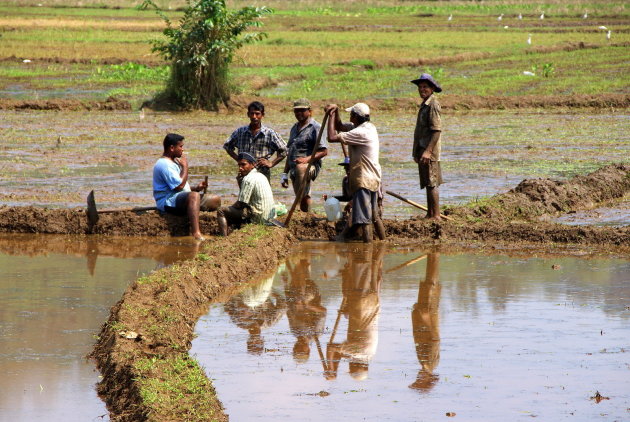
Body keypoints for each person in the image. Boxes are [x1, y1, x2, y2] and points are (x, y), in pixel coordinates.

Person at [325, 103, 382, 243]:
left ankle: (368, 247)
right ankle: (382, 241)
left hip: (364, 178)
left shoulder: (360, 133)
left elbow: (332, 137)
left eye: (351, 115)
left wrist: (329, 116)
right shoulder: (368, 127)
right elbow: (339, 127)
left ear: (355, 117)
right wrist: (335, 112)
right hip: (373, 177)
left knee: (365, 219)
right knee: (374, 215)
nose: (349, 118)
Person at [152, 133, 220, 241]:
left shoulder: (173, 162)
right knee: (194, 196)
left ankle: (192, 208)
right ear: (172, 148)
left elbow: (179, 186)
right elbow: (179, 186)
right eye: (181, 146)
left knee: (215, 200)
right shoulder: (164, 164)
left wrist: (196, 188)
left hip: (177, 197)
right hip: (167, 201)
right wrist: (185, 166)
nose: (182, 150)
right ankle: (196, 233)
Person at [281, 98, 328, 212]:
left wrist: (307, 159)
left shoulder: (315, 127)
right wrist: (284, 174)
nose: (299, 113)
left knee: (301, 169)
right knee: (304, 193)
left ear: (309, 111)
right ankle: (306, 215)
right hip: (294, 166)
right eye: (296, 111)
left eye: (302, 110)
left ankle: (298, 207)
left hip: (310, 165)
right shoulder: (294, 128)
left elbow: (324, 151)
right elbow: (290, 151)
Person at [223, 101, 287, 182]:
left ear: (262, 115)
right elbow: (227, 146)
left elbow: (284, 150)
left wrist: (271, 163)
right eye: (252, 113)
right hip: (244, 172)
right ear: (248, 114)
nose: (254, 116)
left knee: (262, 194)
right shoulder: (240, 132)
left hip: (262, 172)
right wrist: (239, 160)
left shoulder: (269, 133)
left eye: (257, 114)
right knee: (245, 193)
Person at [217, 152, 276, 236]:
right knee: (236, 210)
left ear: (252, 165)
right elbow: (247, 197)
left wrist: (230, 208)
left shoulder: (248, 179)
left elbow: (240, 204)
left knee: (221, 210)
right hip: (270, 217)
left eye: (243, 165)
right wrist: (240, 182)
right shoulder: (261, 176)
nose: (240, 168)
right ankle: (234, 230)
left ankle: (223, 238)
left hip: (259, 218)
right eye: (239, 165)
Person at [411, 73, 444, 220]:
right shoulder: (424, 105)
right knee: (427, 182)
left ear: (432, 88)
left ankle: (435, 215)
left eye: (425, 87)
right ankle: (430, 213)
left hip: (429, 151)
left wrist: (428, 151)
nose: (422, 89)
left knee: (432, 183)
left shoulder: (433, 104)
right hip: (423, 149)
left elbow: (436, 130)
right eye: (420, 87)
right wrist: (417, 151)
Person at [410, 252, 441, 392]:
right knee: (430, 285)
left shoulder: (425, 363)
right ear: (427, 378)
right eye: (419, 380)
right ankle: (434, 252)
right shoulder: (430, 363)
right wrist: (426, 317)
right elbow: (434, 339)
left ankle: (433, 253)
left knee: (429, 285)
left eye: (417, 380)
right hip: (427, 316)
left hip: (424, 317)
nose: (417, 377)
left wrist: (420, 317)